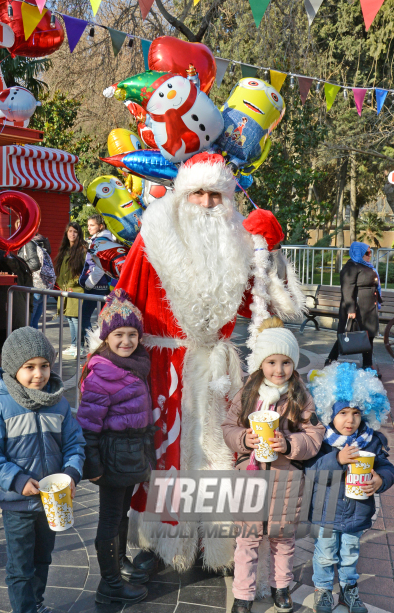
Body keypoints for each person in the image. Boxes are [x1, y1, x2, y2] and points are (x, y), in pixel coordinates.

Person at [116, 152, 306, 573]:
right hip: (163, 368)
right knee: (165, 457)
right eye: (198, 192)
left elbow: (272, 305)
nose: (206, 203)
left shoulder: (238, 243)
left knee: (219, 453)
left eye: (215, 194)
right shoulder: (153, 236)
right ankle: (158, 544)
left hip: (217, 370)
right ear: (183, 194)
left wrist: (269, 252)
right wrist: (112, 367)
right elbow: (121, 301)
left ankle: (213, 544)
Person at [0, 327, 86, 613]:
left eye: (44, 366)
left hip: (52, 502)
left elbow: (74, 444)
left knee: (43, 557)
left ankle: (36, 608)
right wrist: (17, 479)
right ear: (13, 369)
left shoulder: (59, 404)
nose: (38, 374)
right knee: (21, 566)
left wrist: (71, 474)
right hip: (18, 503)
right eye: (29, 367)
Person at [222, 317, 324, 613]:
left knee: (283, 540)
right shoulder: (248, 394)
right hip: (251, 480)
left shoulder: (300, 397)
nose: (279, 370)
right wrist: (243, 439)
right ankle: (243, 594)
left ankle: (282, 588)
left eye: (286, 363)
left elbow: (315, 436)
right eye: (272, 362)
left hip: (286, 481)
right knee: (247, 540)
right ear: (260, 364)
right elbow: (228, 426)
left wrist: (290, 444)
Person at [77, 289, 153, 605]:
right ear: (106, 337)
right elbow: (88, 425)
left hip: (130, 454)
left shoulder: (135, 363)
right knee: (109, 519)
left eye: (132, 334)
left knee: (121, 514)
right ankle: (109, 583)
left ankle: (119, 561)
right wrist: (92, 465)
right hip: (111, 456)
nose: (126, 341)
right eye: (118, 334)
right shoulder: (103, 373)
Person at [306, 362, 394, 613]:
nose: (350, 419)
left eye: (356, 413)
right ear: (329, 412)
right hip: (326, 511)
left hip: (357, 513)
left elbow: (387, 467)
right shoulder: (322, 441)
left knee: (350, 554)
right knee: (324, 555)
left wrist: (381, 480)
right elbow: (311, 471)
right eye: (343, 412)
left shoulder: (372, 440)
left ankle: (348, 588)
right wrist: (337, 460)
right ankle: (322, 588)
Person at [325, 242, 383, 369]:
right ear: (359, 252)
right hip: (357, 307)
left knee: (369, 335)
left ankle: (367, 364)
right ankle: (330, 359)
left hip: (368, 308)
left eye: (370, 252)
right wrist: (351, 309)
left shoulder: (364, 265)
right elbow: (347, 290)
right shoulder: (350, 267)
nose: (369, 255)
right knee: (348, 334)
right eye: (367, 252)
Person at [0, 248, 33, 353]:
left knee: (2, 346)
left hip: (0, 313)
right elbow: (29, 288)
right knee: (17, 349)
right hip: (19, 311)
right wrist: (29, 309)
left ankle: (3, 367)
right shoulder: (20, 263)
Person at [55, 222, 87, 357]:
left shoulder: (83, 249)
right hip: (64, 290)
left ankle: (80, 346)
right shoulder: (65, 249)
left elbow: (86, 270)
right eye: (70, 231)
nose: (72, 234)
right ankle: (74, 345)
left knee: (76, 319)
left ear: (79, 234)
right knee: (69, 317)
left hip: (76, 290)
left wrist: (74, 283)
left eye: (75, 232)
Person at [80, 215, 112, 346]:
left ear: (101, 226)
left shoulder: (100, 241)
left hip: (96, 287)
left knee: (85, 318)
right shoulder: (102, 240)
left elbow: (100, 267)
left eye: (92, 225)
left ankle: (96, 344)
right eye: (88, 225)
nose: (89, 228)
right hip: (100, 287)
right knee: (102, 319)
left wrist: (88, 283)